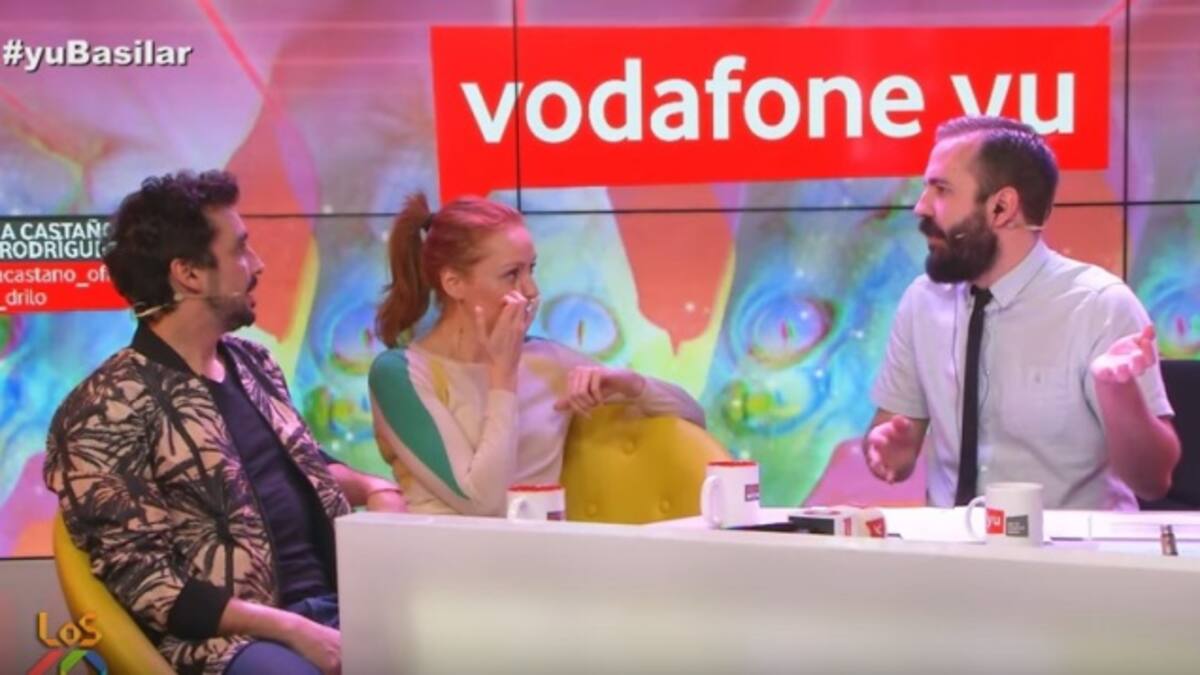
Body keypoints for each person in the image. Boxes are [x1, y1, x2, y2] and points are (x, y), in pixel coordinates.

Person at [44, 170, 406, 675]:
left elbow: (306, 465)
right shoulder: (106, 406)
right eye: (239, 250)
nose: (257, 264)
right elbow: (150, 585)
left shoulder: (254, 363)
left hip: (333, 609)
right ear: (189, 274)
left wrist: (374, 487)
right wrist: (294, 630)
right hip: (226, 643)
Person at [864, 116, 1180, 510]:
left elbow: (1153, 480)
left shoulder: (1099, 305)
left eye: (941, 190)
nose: (920, 207)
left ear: (1002, 207)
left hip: (1070, 546)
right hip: (950, 545)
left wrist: (1118, 392)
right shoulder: (922, 301)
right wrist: (889, 451)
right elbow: (893, 439)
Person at [368, 193, 706, 516]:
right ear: (454, 283)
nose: (531, 290)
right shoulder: (401, 373)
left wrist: (634, 385)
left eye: (532, 269)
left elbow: (692, 417)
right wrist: (503, 376)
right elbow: (484, 504)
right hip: (440, 548)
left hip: (539, 547)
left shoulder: (547, 360)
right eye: (511, 274)